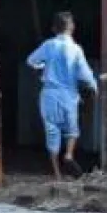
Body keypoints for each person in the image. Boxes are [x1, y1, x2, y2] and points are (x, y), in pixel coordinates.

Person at [28, 11, 99, 180]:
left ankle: (57, 173)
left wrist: (43, 67)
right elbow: (85, 74)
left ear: (54, 28)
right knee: (72, 130)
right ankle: (68, 154)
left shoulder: (48, 45)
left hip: (49, 94)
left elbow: (31, 61)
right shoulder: (75, 49)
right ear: (72, 27)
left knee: (51, 130)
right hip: (68, 95)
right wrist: (94, 86)